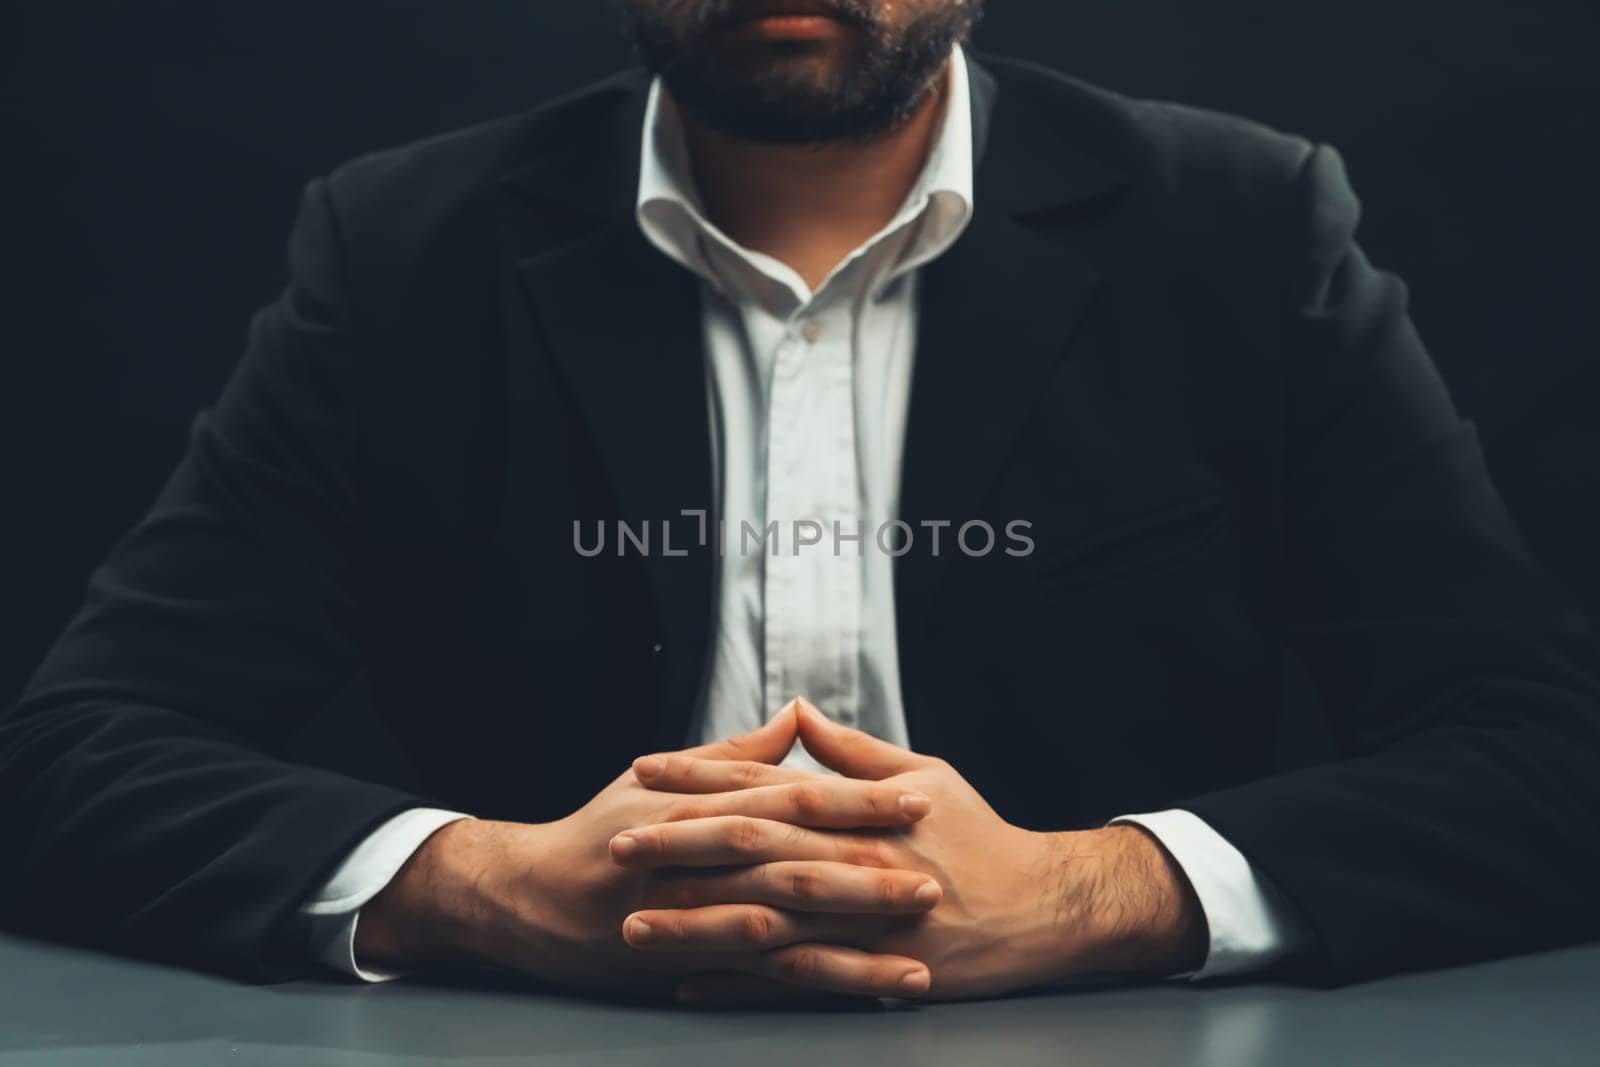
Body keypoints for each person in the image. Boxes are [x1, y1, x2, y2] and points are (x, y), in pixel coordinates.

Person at [4, 0, 1599, 1007]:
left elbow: (1547, 756)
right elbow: (69, 757)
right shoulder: (401, 246)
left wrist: (1091, 897)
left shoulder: (1241, 224)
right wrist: (487, 892)